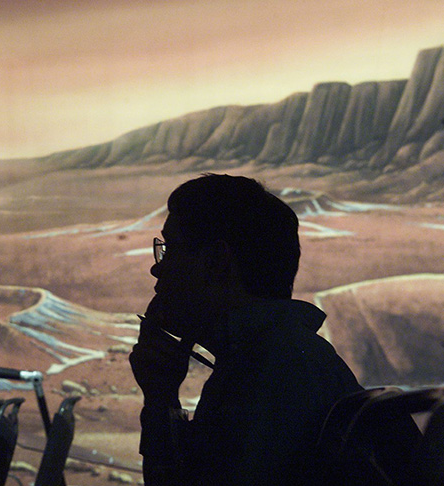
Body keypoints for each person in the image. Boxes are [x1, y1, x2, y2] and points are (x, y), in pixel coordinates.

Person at [129, 174, 364, 485]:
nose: (157, 268)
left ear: (216, 261)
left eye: (171, 249)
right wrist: (161, 396)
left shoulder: (269, 372)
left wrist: (160, 403)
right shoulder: (278, 354)